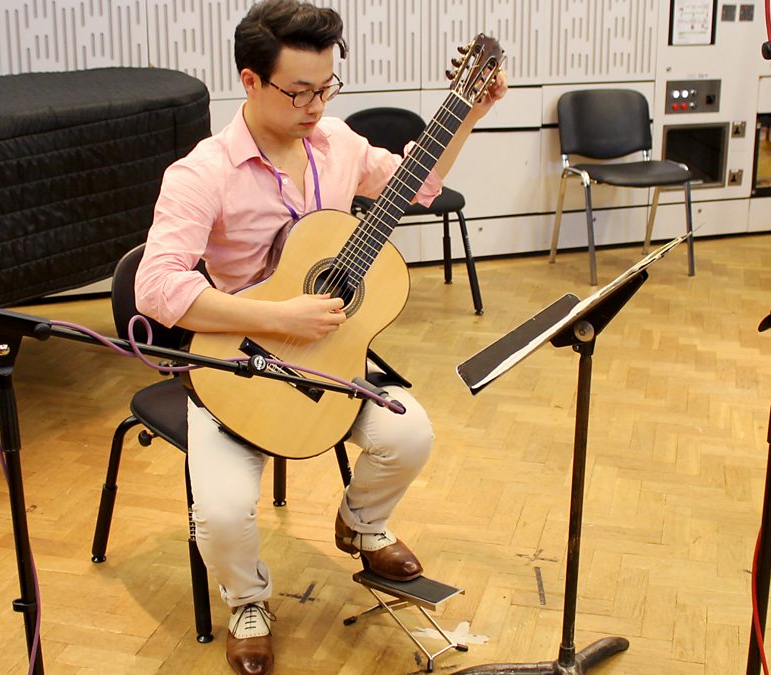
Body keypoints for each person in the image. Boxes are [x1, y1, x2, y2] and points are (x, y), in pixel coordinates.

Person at [135, 2, 506, 673]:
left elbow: (415, 185)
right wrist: (279, 318)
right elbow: (156, 288)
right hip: (240, 366)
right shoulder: (202, 172)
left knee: (411, 435)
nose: (315, 106)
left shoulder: (338, 143)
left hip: (328, 361)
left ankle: (361, 525)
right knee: (221, 513)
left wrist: (469, 114)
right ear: (251, 81)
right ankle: (247, 600)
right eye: (298, 91)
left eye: (326, 87)